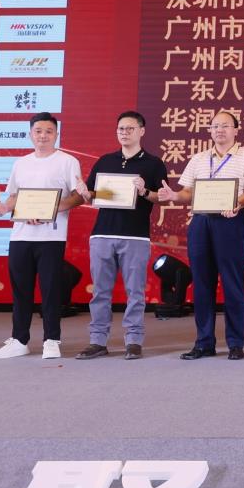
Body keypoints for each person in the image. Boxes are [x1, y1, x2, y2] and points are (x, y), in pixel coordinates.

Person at [158, 110, 244, 361]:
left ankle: (235, 343)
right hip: (201, 222)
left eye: (225, 126)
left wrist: (237, 203)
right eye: (215, 126)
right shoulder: (199, 158)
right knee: (202, 283)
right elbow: (187, 192)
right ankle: (204, 342)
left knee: (232, 283)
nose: (219, 130)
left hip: (231, 221)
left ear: (236, 130)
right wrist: (174, 196)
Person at [0, 113, 87, 360]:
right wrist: (5, 207)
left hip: (51, 236)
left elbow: (78, 196)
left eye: (49, 131)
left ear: (56, 134)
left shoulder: (68, 161)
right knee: (20, 290)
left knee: (51, 289)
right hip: (20, 235)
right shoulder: (21, 163)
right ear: (30, 134)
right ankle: (19, 340)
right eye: (38, 131)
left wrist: (51, 209)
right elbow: (14, 196)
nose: (43, 136)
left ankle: (51, 340)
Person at [77, 111, 168, 361]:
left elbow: (161, 197)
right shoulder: (105, 161)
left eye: (130, 128)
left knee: (135, 292)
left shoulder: (153, 163)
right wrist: (85, 193)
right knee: (100, 292)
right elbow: (93, 195)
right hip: (102, 234)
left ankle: (134, 340)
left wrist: (145, 191)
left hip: (135, 236)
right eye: (120, 129)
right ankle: (97, 341)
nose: (124, 133)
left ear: (142, 131)